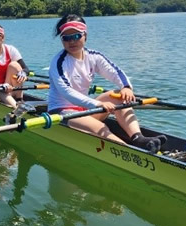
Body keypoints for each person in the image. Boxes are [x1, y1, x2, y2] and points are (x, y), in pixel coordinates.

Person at [47, 14, 166, 152]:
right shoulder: (59, 62)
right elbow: (66, 91)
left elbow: (116, 72)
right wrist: (97, 104)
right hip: (61, 112)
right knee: (100, 128)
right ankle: (130, 152)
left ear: (85, 35)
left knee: (119, 96)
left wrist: (126, 87)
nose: (71, 41)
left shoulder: (94, 56)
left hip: (84, 109)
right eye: (66, 38)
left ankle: (138, 139)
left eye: (76, 36)